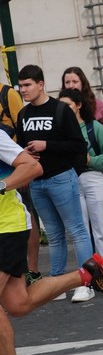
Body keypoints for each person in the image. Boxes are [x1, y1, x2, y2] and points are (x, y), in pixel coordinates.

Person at [0, 129, 103, 355]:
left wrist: (1, 186)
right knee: (18, 303)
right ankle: (88, 273)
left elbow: (33, 166)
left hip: (6, 228)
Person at [16, 65, 95, 303]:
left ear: (41, 84)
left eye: (28, 85)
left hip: (61, 177)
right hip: (37, 182)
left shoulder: (61, 110)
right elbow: (21, 148)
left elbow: (79, 146)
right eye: (20, 86)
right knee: (54, 235)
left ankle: (87, 282)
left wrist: (46, 145)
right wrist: (28, 156)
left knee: (78, 231)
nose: (23, 90)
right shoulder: (23, 114)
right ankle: (56, 283)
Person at [59, 88, 103, 300]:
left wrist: (91, 160)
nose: (63, 109)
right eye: (61, 105)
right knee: (81, 230)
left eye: (68, 105)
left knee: (101, 227)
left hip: (94, 178)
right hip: (71, 181)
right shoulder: (61, 131)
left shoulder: (94, 127)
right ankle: (87, 276)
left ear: (79, 105)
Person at [0, 81, 43, 283]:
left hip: (8, 222)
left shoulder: (7, 93)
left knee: (29, 218)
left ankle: (32, 271)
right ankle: (85, 275)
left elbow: (21, 129)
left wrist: (18, 165)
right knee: (19, 304)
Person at [61, 67, 103, 144]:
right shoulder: (58, 106)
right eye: (67, 82)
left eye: (75, 81)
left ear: (82, 83)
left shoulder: (95, 104)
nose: (71, 85)